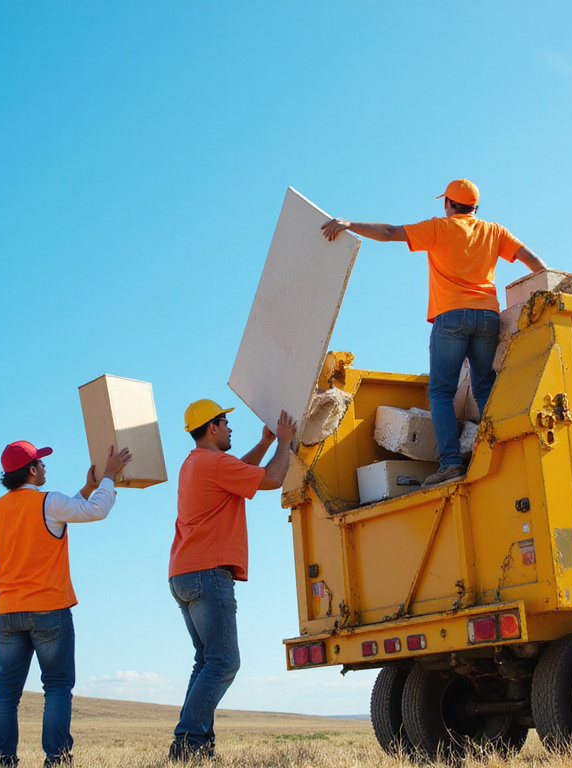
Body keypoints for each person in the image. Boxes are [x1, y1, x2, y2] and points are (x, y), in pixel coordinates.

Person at [321, 179, 546, 486]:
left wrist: (349, 224)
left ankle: (451, 462)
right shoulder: (494, 231)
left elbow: (389, 233)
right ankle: (503, 448)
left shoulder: (439, 228)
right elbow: (533, 260)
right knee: (484, 388)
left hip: (452, 317)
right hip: (488, 318)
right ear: (475, 208)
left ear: (448, 204)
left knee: (441, 391)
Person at [0, 439, 131, 767]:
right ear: (31, 470)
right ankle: (56, 759)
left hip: (9, 614)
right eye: (41, 463)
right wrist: (109, 477)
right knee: (57, 687)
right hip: (50, 610)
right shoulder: (50, 501)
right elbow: (95, 511)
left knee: (6, 690)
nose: (45, 467)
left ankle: (2, 760)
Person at [167, 400, 297, 761]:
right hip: (209, 572)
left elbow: (240, 470)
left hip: (184, 572)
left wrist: (267, 443)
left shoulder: (197, 464)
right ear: (212, 428)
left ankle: (197, 745)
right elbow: (272, 479)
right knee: (224, 662)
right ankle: (189, 741)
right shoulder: (214, 463)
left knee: (206, 661)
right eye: (225, 423)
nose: (229, 429)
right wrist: (285, 442)